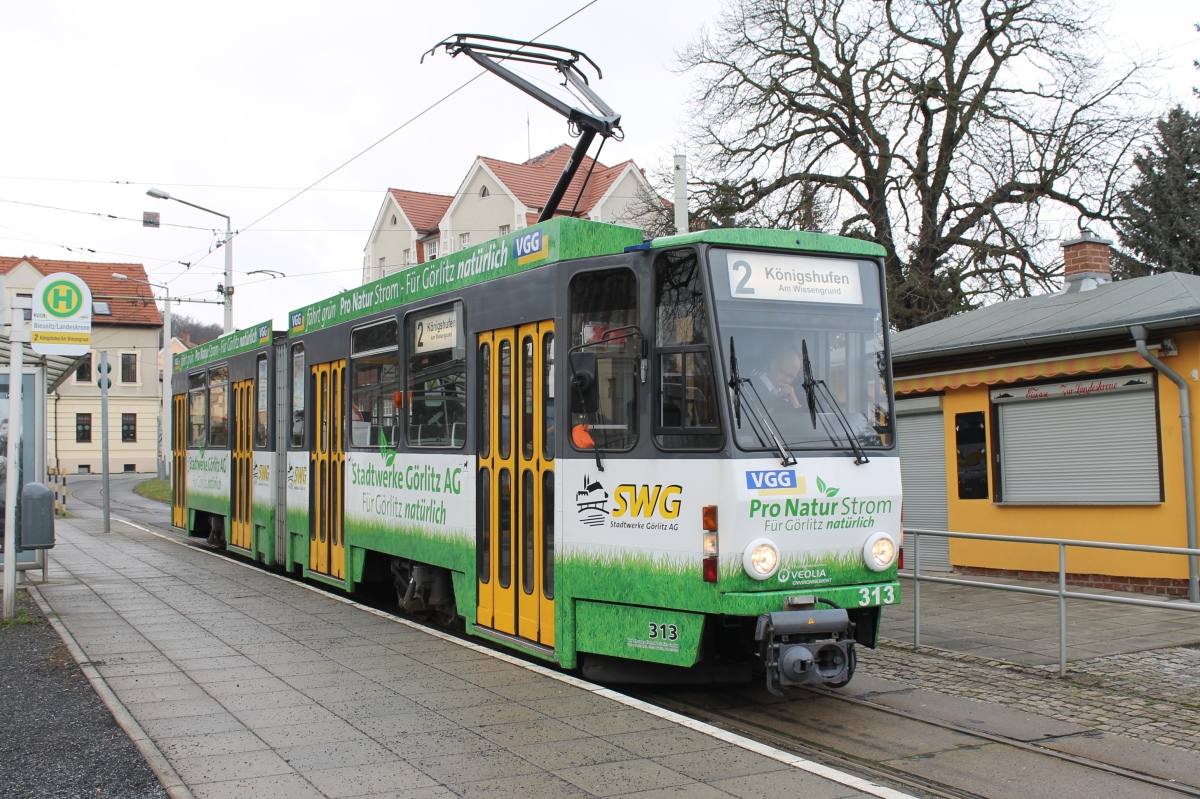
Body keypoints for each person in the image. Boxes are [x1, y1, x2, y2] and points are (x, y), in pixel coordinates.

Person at [756, 345, 804, 410]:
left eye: (792, 377)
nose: (787, 380)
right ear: (773, 365)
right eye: (785, 373)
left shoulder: (791, 395)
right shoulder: (751, 387)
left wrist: (795, 403)